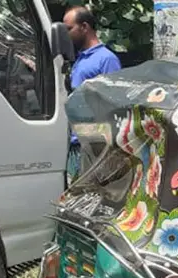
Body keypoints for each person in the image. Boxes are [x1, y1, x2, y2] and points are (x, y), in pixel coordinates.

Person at [63, 6, 122, 185]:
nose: (67, 34)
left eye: (69, 29)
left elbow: (114, 102)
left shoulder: (106, 59)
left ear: (85, 27)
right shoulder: (80, 59)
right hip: (76, 142)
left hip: (94, 144)